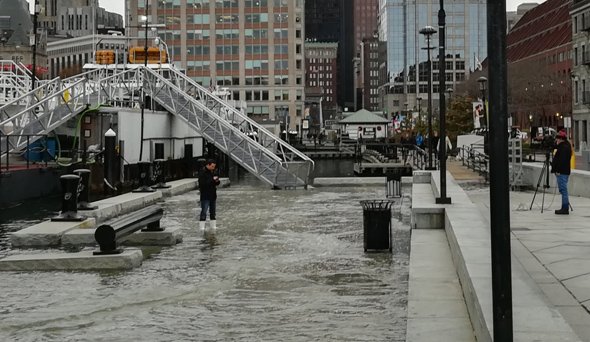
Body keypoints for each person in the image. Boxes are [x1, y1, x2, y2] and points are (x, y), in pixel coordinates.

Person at [551, 130, 572, 215]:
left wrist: (558, 170)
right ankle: (565, 207)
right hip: (564, 171)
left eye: (558, 139)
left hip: (562, 172)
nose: (556, 141)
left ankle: (565, 208)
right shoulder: (566, 146)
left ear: (561, 139)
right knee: (563, 190)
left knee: (563, 190)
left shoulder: (563, 148)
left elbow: (562, 161)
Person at [198, 159, 221, 230]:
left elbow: (216, 183)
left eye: (214, 166)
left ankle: (213, 226)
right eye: (212, 166)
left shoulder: (213, 172)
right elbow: (202, 184)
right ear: (208, 165)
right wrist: (212, 180)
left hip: (213, 194)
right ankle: (202, 227)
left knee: (213, 212)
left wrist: (217, 181)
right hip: (205, 195)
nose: (213, 168)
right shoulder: (202, 172)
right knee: (204, 211)